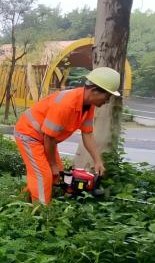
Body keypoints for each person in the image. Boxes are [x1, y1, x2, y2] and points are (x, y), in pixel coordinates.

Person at [13, 67, 121, 204]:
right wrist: (52, 164)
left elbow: (87, 134)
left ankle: (22, 201)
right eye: (107, 96)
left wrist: (97, 160)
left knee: (58, 175)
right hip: (29, 134)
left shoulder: (89, 105)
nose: (107, 101)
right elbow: (49, 137)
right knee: (43, 175)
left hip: (45, 138)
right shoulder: (66, 104)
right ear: (94, 91)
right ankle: (39, 216)